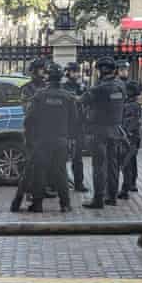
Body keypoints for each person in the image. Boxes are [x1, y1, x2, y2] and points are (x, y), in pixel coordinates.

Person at [25, 63, 78, 212]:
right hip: (61, 140)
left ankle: (37, 205)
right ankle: (65, 204)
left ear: (47, 77)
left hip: (42, 140)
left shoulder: (40, 96)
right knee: (61, 172)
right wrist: (71, 140)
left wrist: (29, 138)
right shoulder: (68, 97)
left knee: (39, 171)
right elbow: (74, 121)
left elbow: (29, 119)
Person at [81, 56, 127, 209]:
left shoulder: (99, 88)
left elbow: (82, 100)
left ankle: (98, 199)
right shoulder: (121, 86)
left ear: (100, 71)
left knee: (98, 166)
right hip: (115, 130)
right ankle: (112, 196)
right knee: (112, 164)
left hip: (99, 131)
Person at [10, 58, 48, 212]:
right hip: (33, 132)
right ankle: (28, 195)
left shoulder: (48, 86)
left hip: (47, 131)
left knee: (46, 166)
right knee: (31, 166)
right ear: (34, 71)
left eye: (44, 69)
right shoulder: (27, 88)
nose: (43, 72)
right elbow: (27, 110)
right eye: (41, 69)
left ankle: (42, 192)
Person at [62, 62, 88, 193]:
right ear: (68, 72)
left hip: (79, 126)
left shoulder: (81, 86)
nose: (77, 74)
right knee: (62, 156)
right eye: (74, 71)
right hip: (65, 127)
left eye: (77, 71)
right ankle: (61, 183)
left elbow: (86, 101)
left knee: (78, 158)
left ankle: (79, 183)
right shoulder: (64, 87)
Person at [119, 80, 142, 198]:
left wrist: (125, 134)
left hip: (129, 138)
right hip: (131, 138)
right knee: (128, 163)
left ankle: (125, 189)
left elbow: (130, 123)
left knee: (126, 164)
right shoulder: (132, 104)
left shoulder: (132, 105)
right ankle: (128, 186)